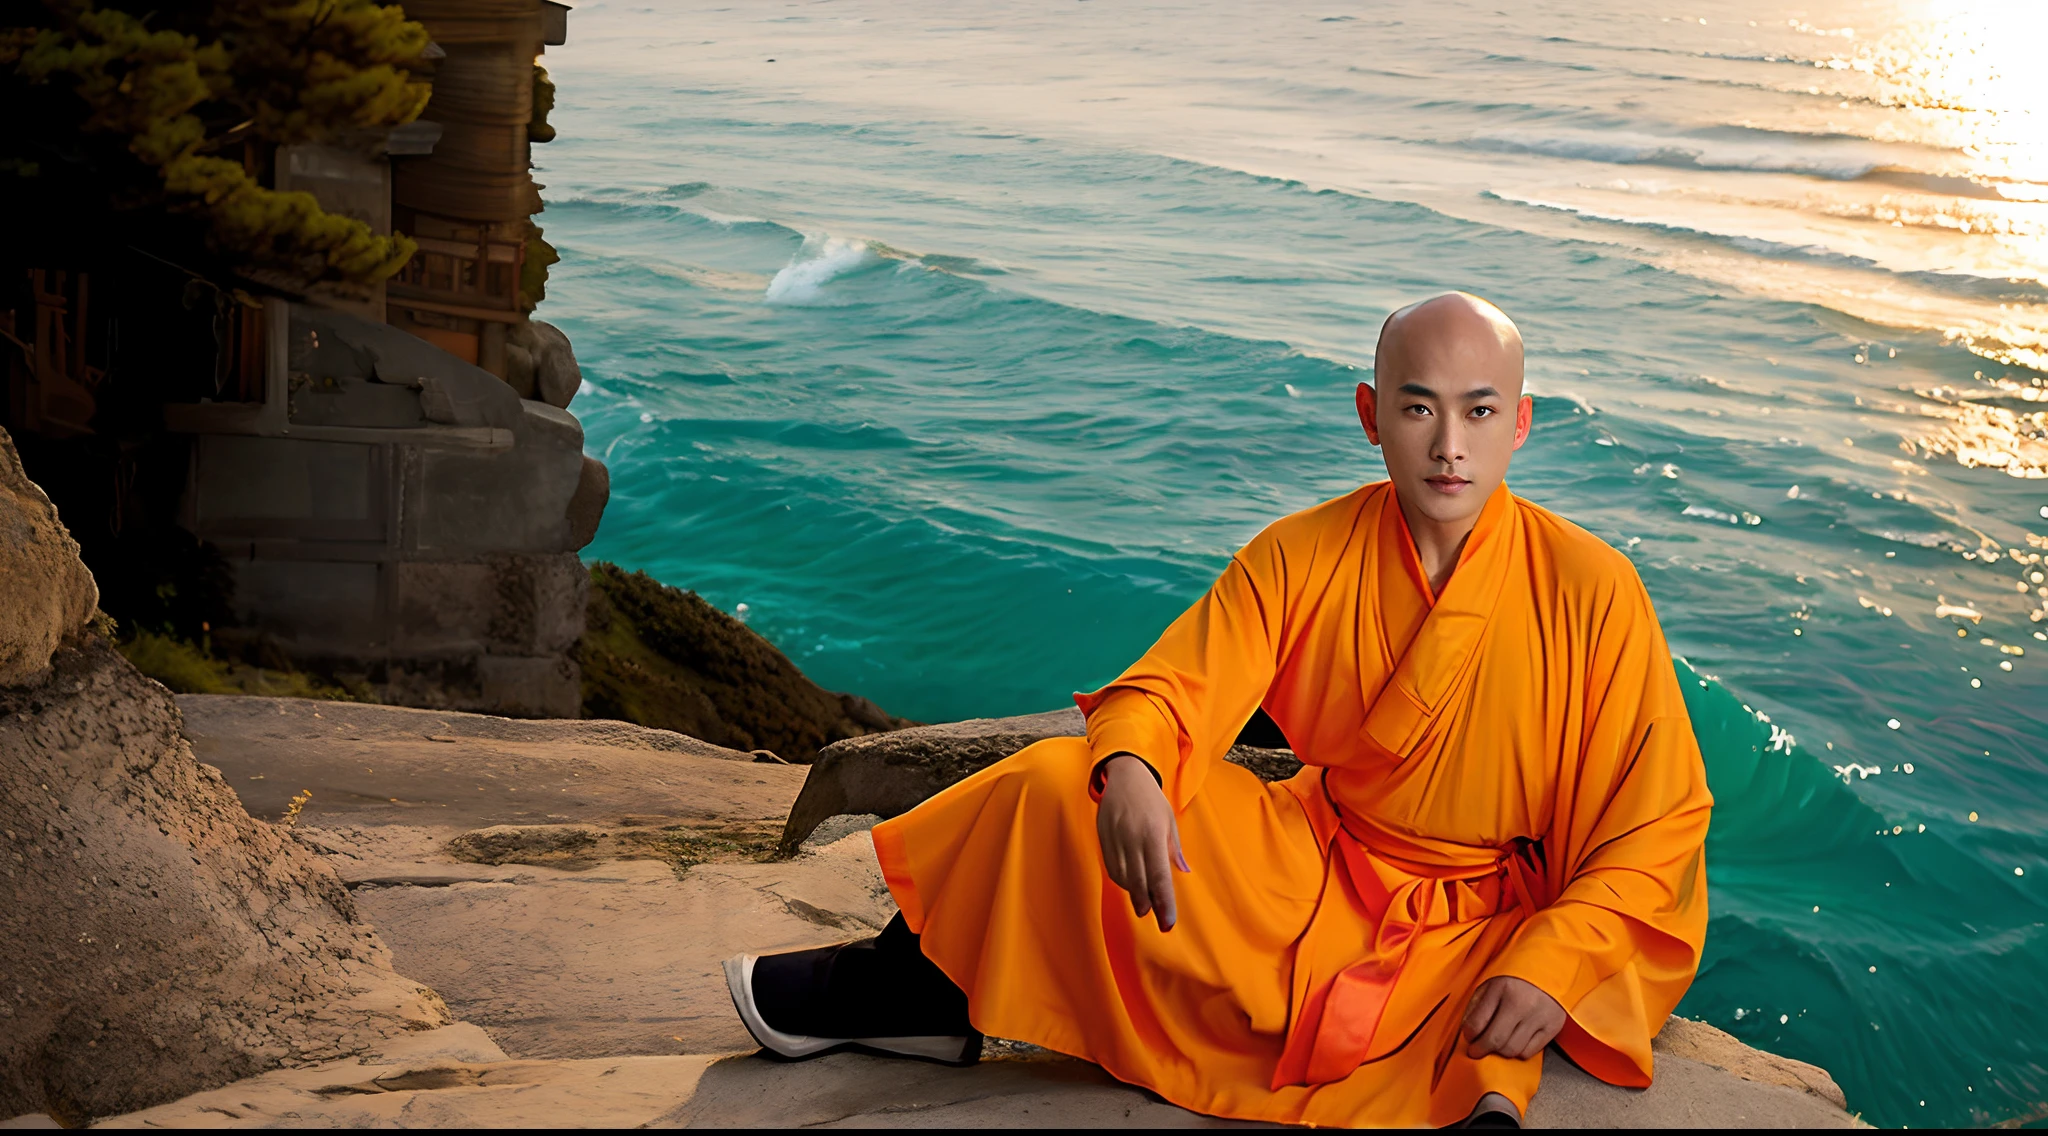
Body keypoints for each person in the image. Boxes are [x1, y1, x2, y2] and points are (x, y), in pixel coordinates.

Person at [725, 293, 1712, 1128]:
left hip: (1493, 911)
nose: (1449, 446)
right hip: (1318, 864)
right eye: (1418, 408)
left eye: (1479, 410)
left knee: (1490, 1042)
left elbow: (1656, 822)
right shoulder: (1302, 551)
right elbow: (1175, 684)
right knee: (1054, 782)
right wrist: (1137, 771)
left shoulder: (1592, 586)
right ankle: (920, 985)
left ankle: (1475, 1050)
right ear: (1370, 413)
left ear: (1520, 421)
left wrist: (1554, 958)